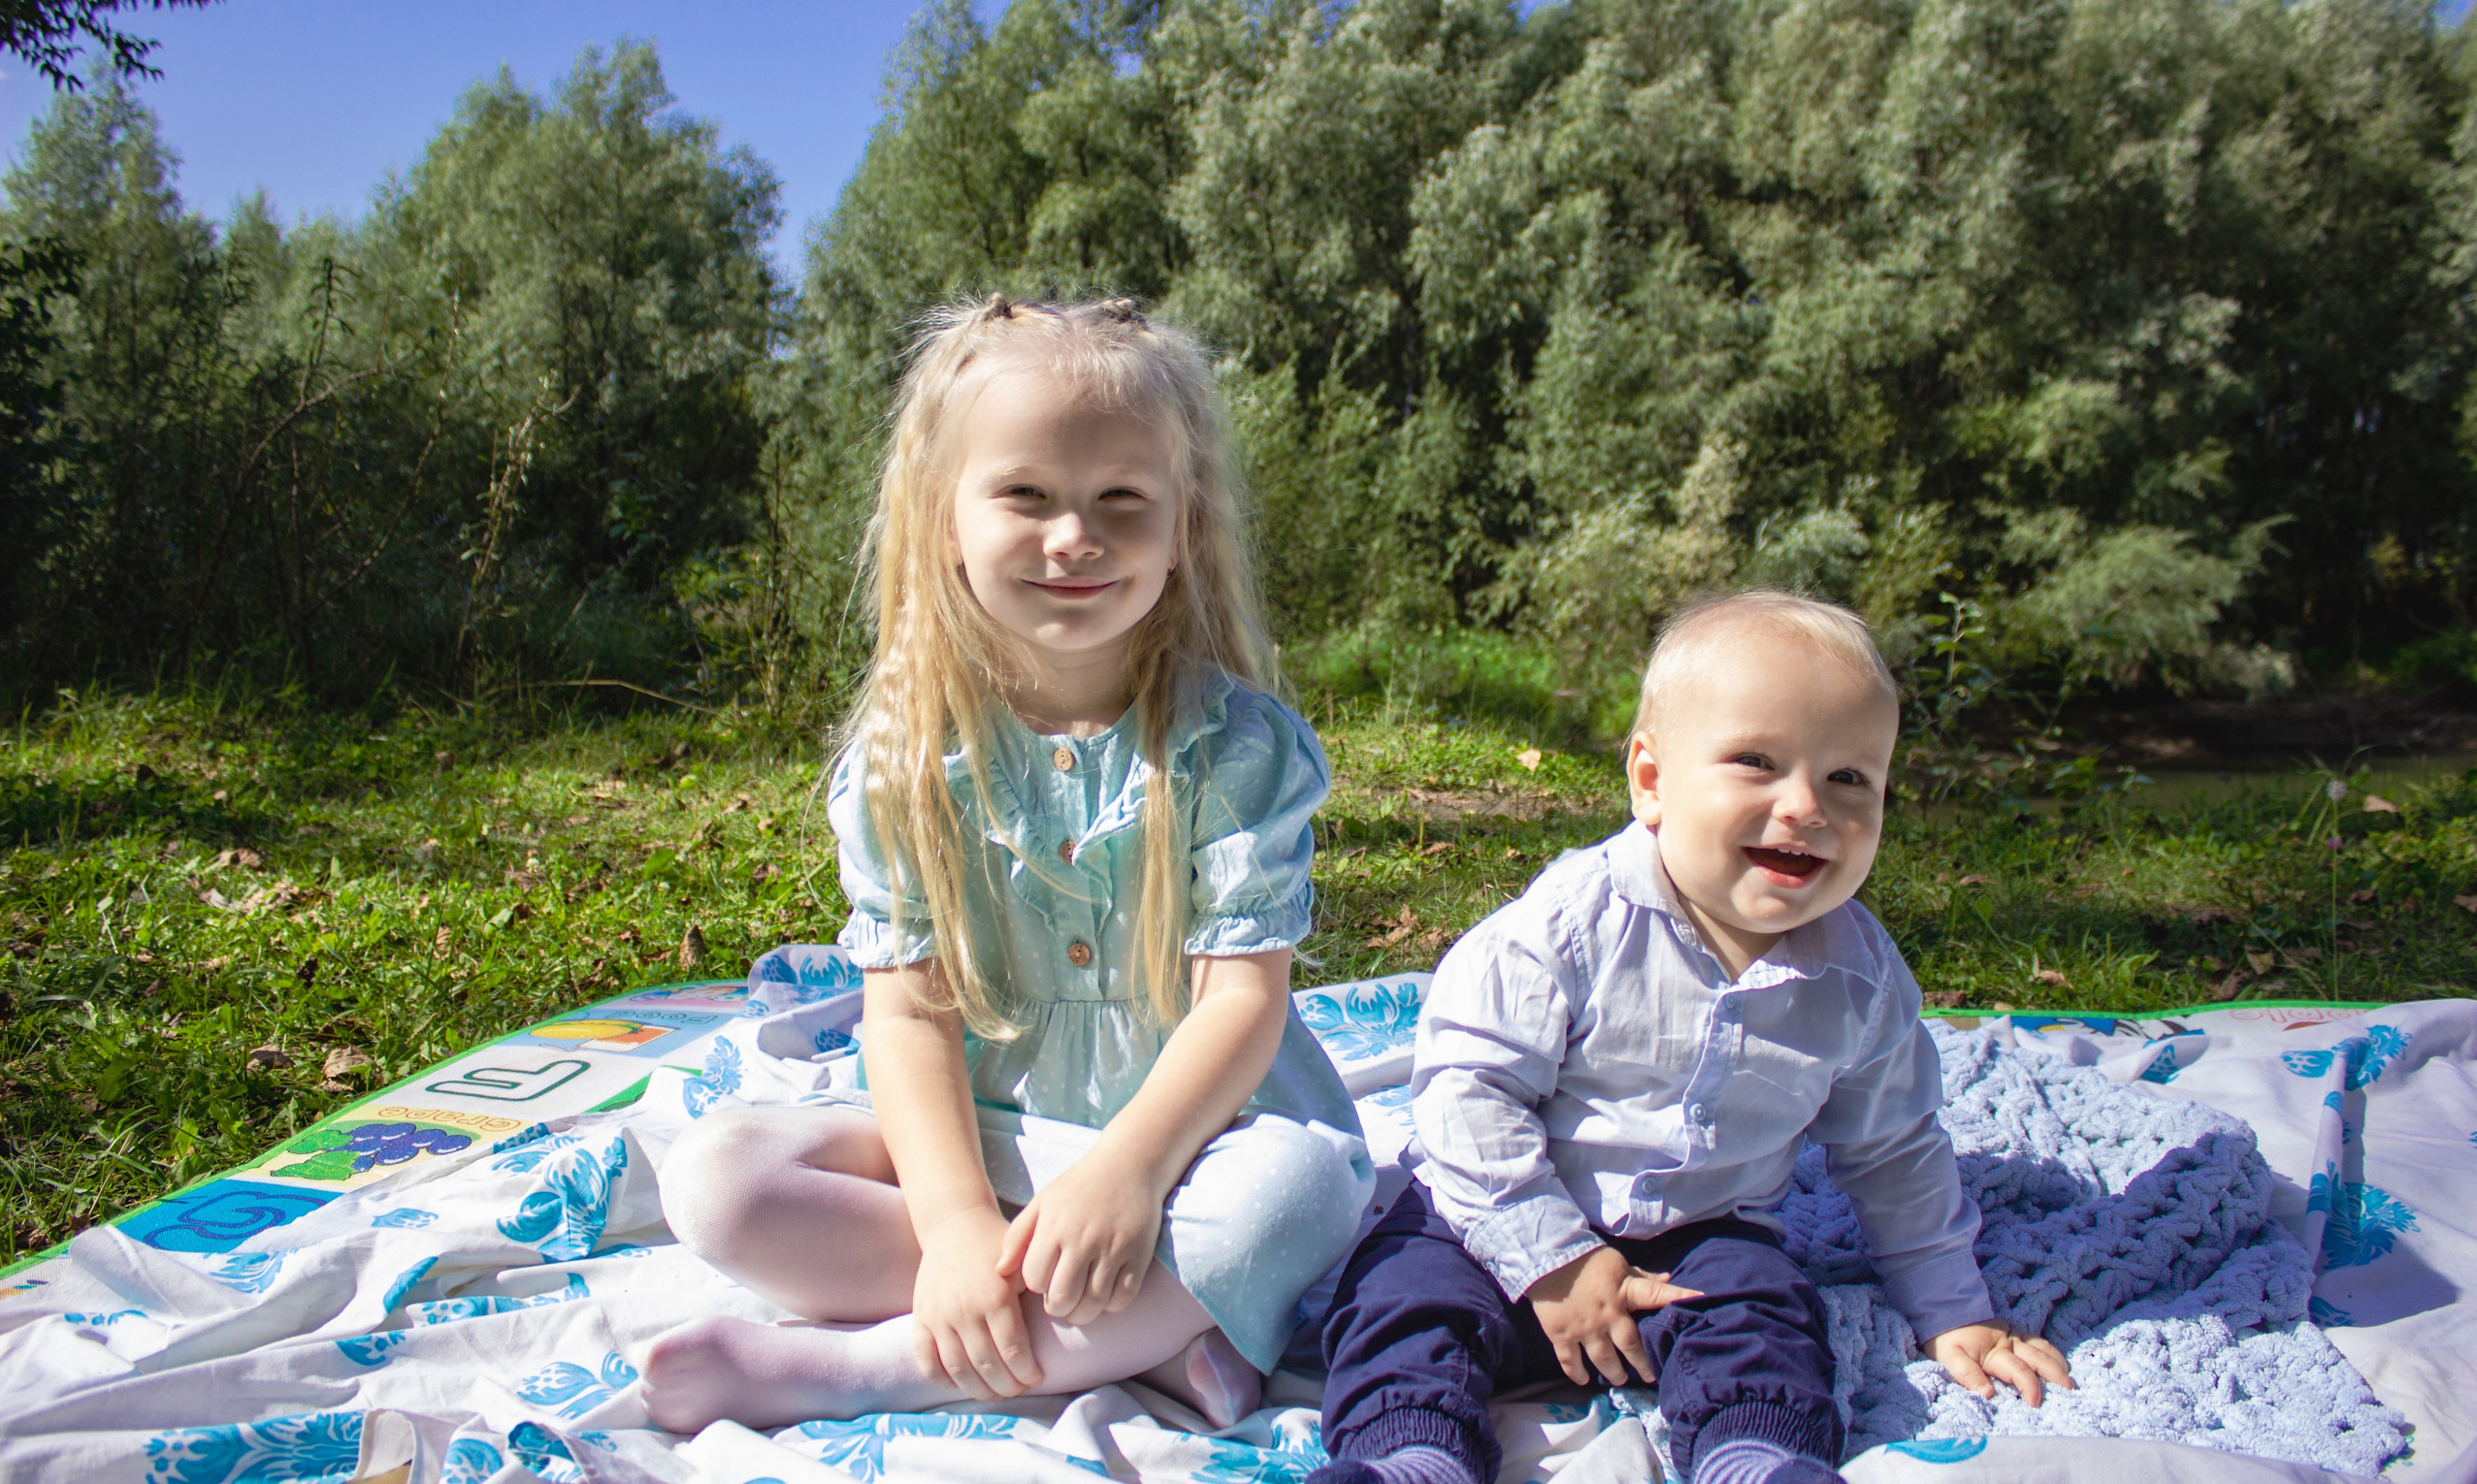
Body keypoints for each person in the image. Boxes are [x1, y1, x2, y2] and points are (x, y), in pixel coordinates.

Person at [641, 295, 1373, 1434]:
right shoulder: (904, 762)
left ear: (1181, 525)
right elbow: (911, 1019)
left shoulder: (1234, 748)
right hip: (997, 1136)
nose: (1073, 537)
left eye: (1121, 500)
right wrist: (954, 1234)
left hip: (1197, 1145)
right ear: (944, 518)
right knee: (717, 1179)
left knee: (1302, 1197)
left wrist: (1129, 1176)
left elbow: (1245, 1003)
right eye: (1025, 495)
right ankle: (1143, 1336)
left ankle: (869, 1370)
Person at [1313, 591, 2072, 1484]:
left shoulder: (1860, 978)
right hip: (1493, 1213)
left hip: (1701, 1233)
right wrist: (1553, 1258)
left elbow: (1895, 1148)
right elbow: (1465, 1093)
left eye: (1849, 778)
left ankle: (1756, 1454)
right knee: (1401, 1297)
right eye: (1757, 761)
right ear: (1651, 780)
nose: (1806, 806)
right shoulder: (1569, 925)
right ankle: (1410, 1455)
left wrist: (1955, 1311)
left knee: (1766, 1314)